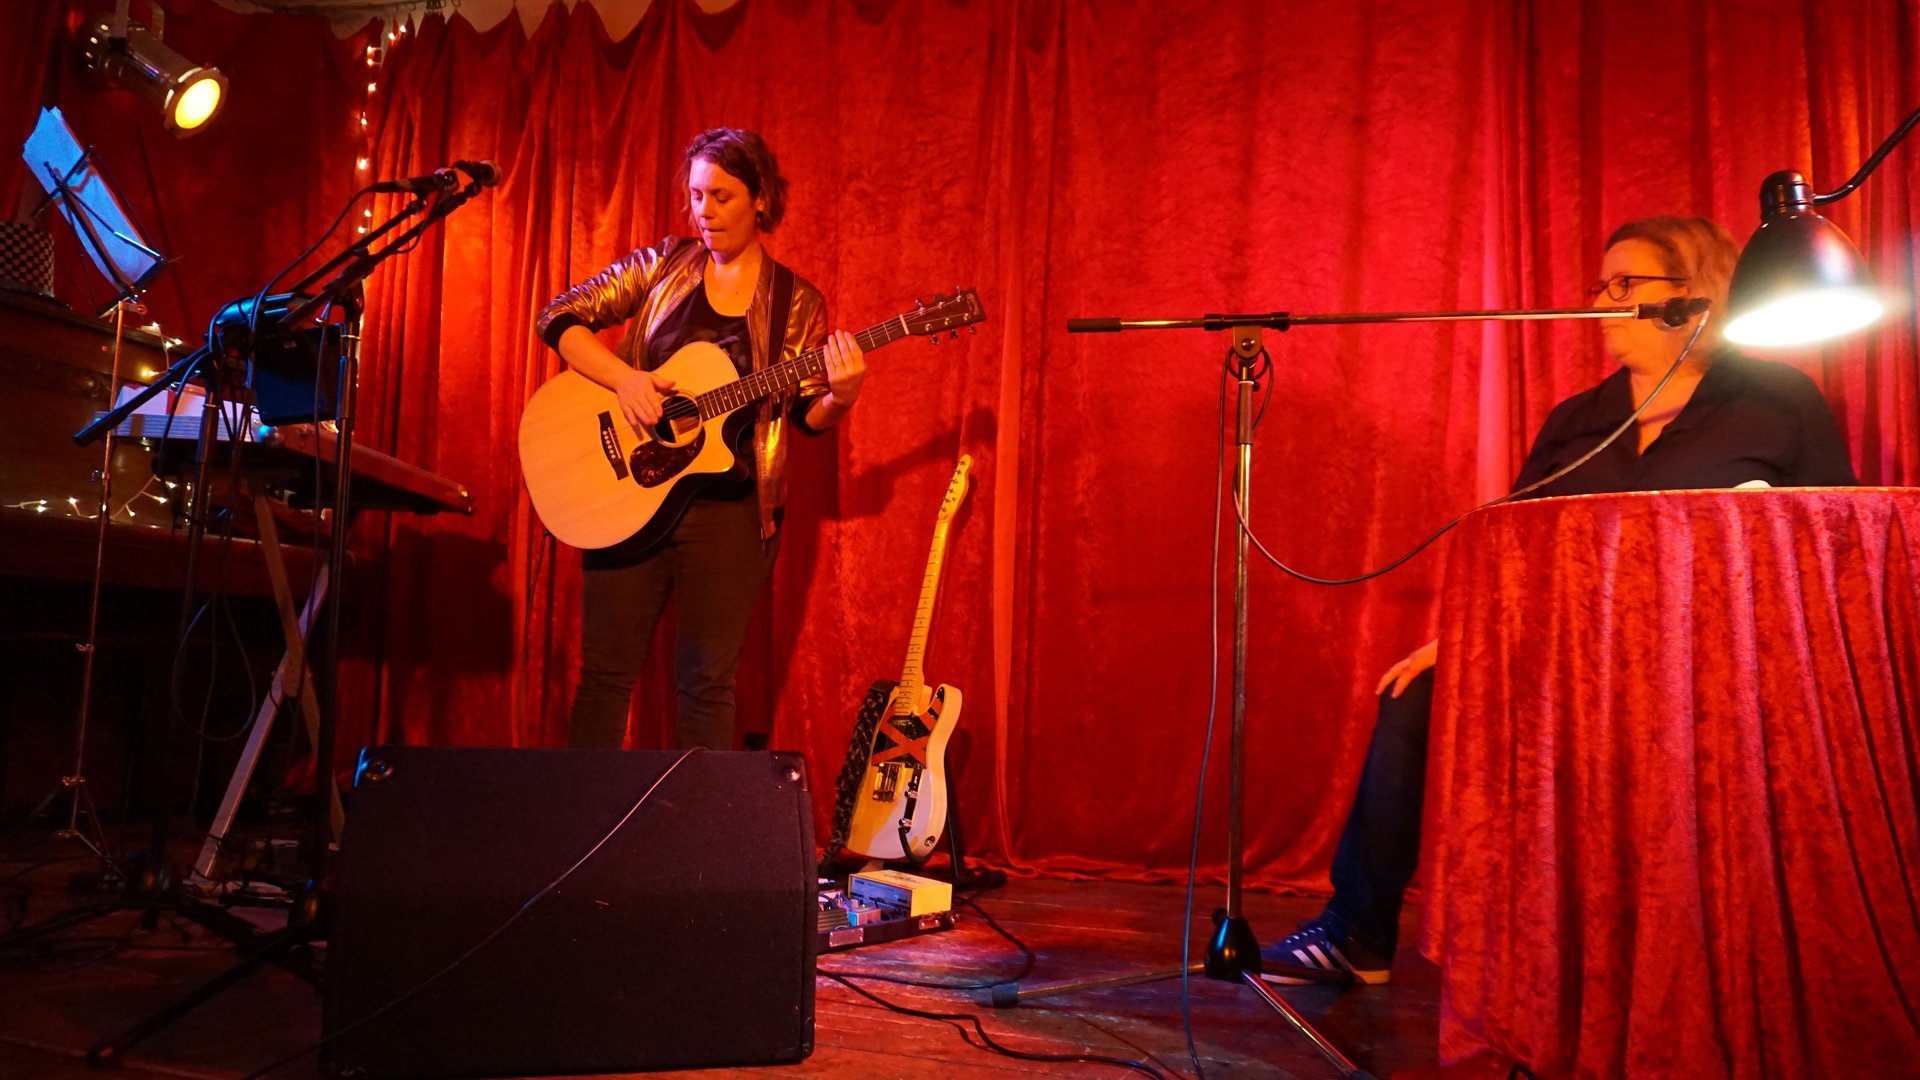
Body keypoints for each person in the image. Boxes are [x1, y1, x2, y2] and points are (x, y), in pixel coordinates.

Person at [1262, 215, 1858, 985]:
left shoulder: (1779, 400)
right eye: (1602, 284)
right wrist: (1464, 637)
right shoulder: (1578, 420)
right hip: (1573, 657)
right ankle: (1357, 932)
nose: (1606, 300)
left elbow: (1835, 539)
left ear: (1691, 296)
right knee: (1416, 697)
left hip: (1717, 667)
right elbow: (1515, 549)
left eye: (1628, 284)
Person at [535, 127, 867, 751]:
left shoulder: (797, 305)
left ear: (761, 199)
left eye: (721, 196)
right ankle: (584, 837)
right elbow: (557, 317)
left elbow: (803, 418)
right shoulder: (663, 264)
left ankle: (695, 841)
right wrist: (626, 380)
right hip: (626, 493)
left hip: (731, 515)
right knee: (604, 677)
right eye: (696, 196)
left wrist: (838, 397)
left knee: (706, 683)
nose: (705, 212)